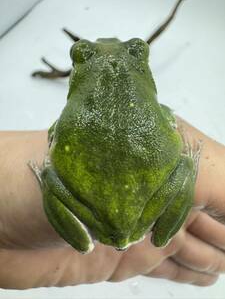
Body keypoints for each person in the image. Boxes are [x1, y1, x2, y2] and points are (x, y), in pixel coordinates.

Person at [0, 117, 224, 289]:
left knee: (51, 176)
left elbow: (57, 130)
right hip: (143, 218)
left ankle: (90, 240)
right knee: (183, 166)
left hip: (97, 219)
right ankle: (160, 236)